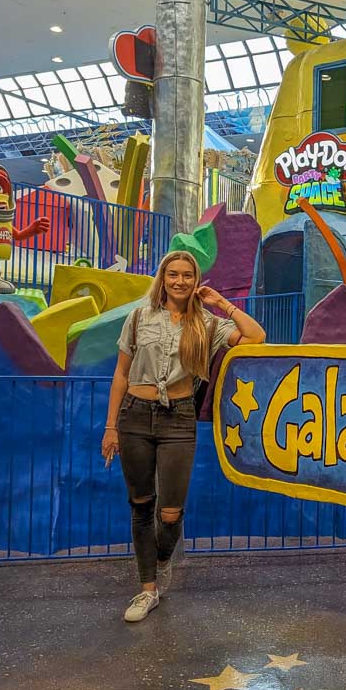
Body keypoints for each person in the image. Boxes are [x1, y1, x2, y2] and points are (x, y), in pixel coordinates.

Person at [102, 250, 266, 622]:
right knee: (141, 505)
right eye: (173, 274)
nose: (179, 281)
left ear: (196, 281)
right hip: (135, 416)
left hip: (178, 418)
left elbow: (256, 336)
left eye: (187, 275)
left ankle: (160, 560)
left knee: (170, 511)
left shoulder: (207, 323)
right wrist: (111, 426)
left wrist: (221, 302)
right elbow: (121, 375)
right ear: (163, 277)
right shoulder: (139, 317)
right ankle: (147, 590)